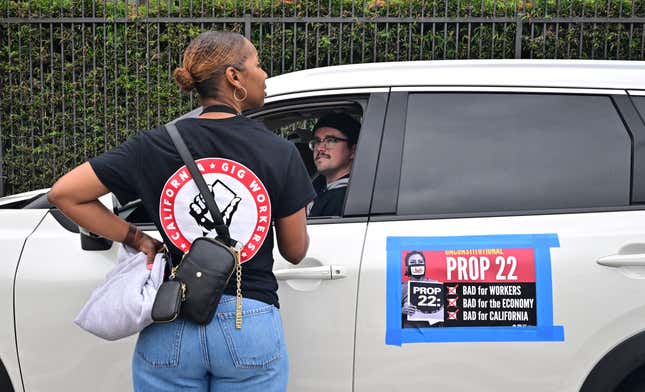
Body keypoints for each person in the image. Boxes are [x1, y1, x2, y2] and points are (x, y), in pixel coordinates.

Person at [48, 31, 315, 391]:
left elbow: (65, 194)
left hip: (171, 316)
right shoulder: (279, 152)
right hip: (248, 317)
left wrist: (136, 237)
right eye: (257, 63)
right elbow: (295, 252)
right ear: (234, 77)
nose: (264, 74)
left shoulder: (153, 145)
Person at [307, 113, 361, 217]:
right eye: (317, 141)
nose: (320, 148)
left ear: (353, 151)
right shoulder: (317, 186)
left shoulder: (346, 199)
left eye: (331, 140)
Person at [401, 251, 444, 328]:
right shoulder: (402, 288)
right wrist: (402, 310)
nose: (417, 265)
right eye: (413, 262)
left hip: (432, 332)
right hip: (410, 332)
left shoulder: (436, 284)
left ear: (424, 265)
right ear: (407, 267)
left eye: (420, 262)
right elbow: (391, 313)